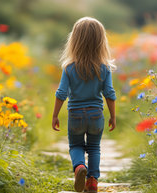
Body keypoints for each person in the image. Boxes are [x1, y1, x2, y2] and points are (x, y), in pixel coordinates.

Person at [52, 17, 117, 192]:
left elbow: (61, 93)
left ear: (74, 40)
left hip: (75, 115)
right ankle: (92, 180)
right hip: (96, 115)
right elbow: (109, 94)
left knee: (75, 145)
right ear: (100, 41)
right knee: (94, 147)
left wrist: (55, 115)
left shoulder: (69, 68)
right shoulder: (104, 68)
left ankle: (79, 167)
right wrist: (113, 115)